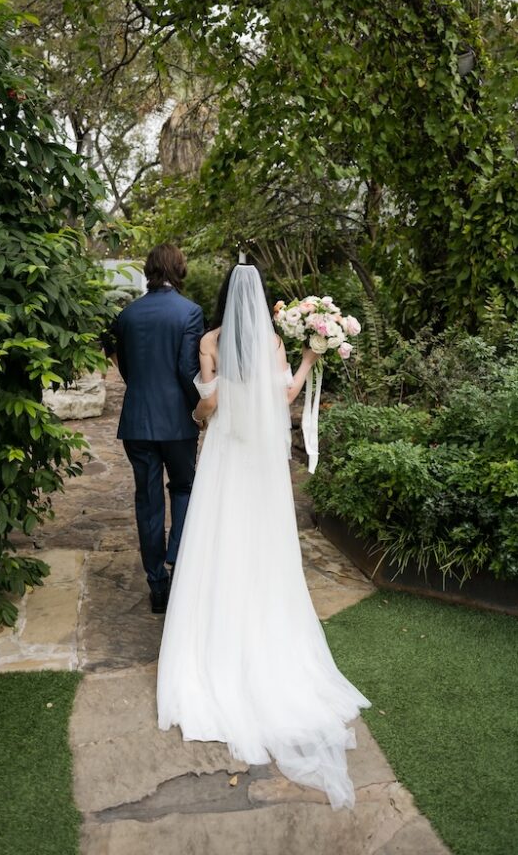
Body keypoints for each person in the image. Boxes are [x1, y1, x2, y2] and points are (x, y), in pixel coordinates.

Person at [156, 260, 370, 809]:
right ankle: (263, 631)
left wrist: (214, 396)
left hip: (226, 457)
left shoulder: (209, 340)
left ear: (225, 296)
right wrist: (306, 359)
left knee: (216, 544)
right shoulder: (274, 340)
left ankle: (215, 640)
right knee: (261, 548)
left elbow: (206, 407)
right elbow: (284, 399)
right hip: (259, 465)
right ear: (261, 298)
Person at [107, 244, 205, 614]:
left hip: (137, 421)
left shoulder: (127, 315)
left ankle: (156, 585)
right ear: (179, 268)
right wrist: (198, 409)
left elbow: (128, 371)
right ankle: (177, 563)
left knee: (147, 501)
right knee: (183, 488)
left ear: (149, 270)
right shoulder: (190, 312)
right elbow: (186, 370)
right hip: (178, 422)